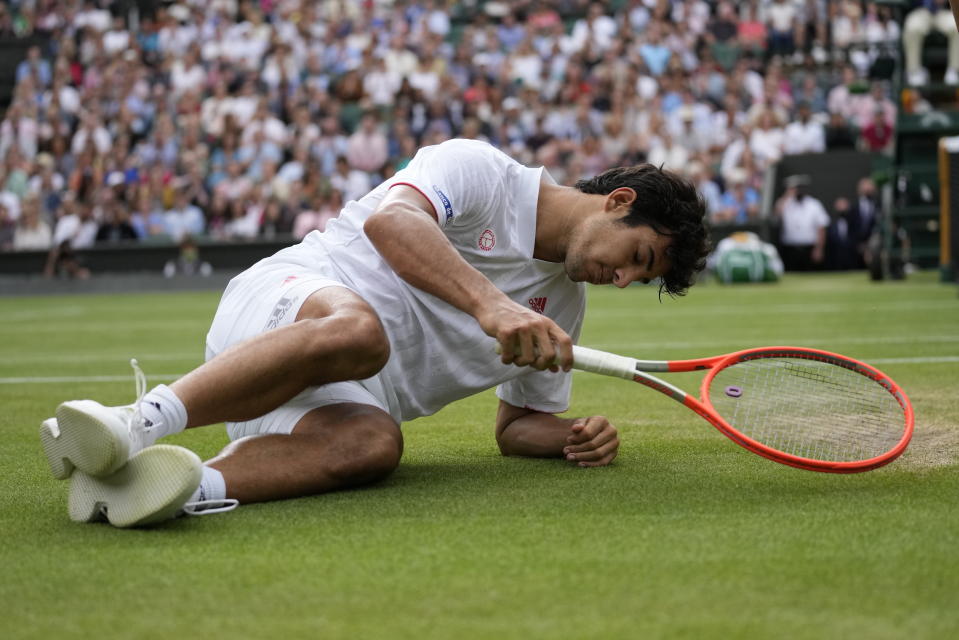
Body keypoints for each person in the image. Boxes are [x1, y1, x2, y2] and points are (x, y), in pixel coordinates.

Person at [40, 139, 709, 528]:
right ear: (619, 204)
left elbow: (514, 429)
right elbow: (392, 224)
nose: (621, 281)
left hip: (328, 397)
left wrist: (572, 435)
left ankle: (161, 489)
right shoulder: (479, 169)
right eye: (638, 259)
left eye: (638, 280)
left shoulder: (560, 308)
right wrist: (490, 306)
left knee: (374, 445)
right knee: (360, 332)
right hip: (286, 305)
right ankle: (131, 424)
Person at [774, 174, 829, 271]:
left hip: (809, 248)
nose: (798, 191)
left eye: (800, 188)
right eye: (795, 188)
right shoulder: (785, 203)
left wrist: (819, 248)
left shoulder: (814, 204)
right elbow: (776, 214)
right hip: (790, 249)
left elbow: (821, 227)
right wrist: (787, 195)